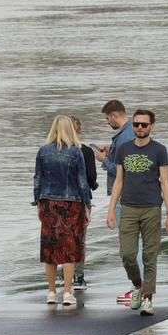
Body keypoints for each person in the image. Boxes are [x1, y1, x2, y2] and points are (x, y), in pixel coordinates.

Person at [105, 108, 168, 317]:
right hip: (128, 208)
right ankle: (137, 285)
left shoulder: (159, 150)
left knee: (149, 256)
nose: (140, 128)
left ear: (152, 126)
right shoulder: (124, 149)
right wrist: (110, 210)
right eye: (136, 124)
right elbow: (118, 181)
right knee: (127, 254)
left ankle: (148, 299)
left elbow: (166, 183)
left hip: (152, 207)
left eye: (144, 125)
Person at [34, 114, 93, 308]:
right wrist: (87, 206)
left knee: (50, 249)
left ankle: (51, 292)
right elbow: (82, 182)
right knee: (69, 249)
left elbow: (37, 179)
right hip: (72, 204)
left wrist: (38, 202)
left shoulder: (43, 151)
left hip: (49, 203)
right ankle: (68, 292)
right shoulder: (76, 152)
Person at [95, 100, 139, 304]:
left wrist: (103, 160)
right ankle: (139, 288)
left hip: (125, 196)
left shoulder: (124, 137)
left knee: (129, 246)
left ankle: (138, 288)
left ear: (114, 115)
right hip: (136, 195)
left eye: (107, 118)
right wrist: (110, 150)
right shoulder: (130, 133)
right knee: (134, 245)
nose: (107, 122)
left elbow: (123, 171)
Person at [68, 116, 98, 290]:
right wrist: (93, 186)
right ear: (79, 130)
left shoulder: (52, 151)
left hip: (57, 199)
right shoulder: (85, 151)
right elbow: (90, 178)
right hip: (81, 199)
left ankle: (64, 275)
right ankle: (78, 277)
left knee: (61, 239)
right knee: (79, 240)